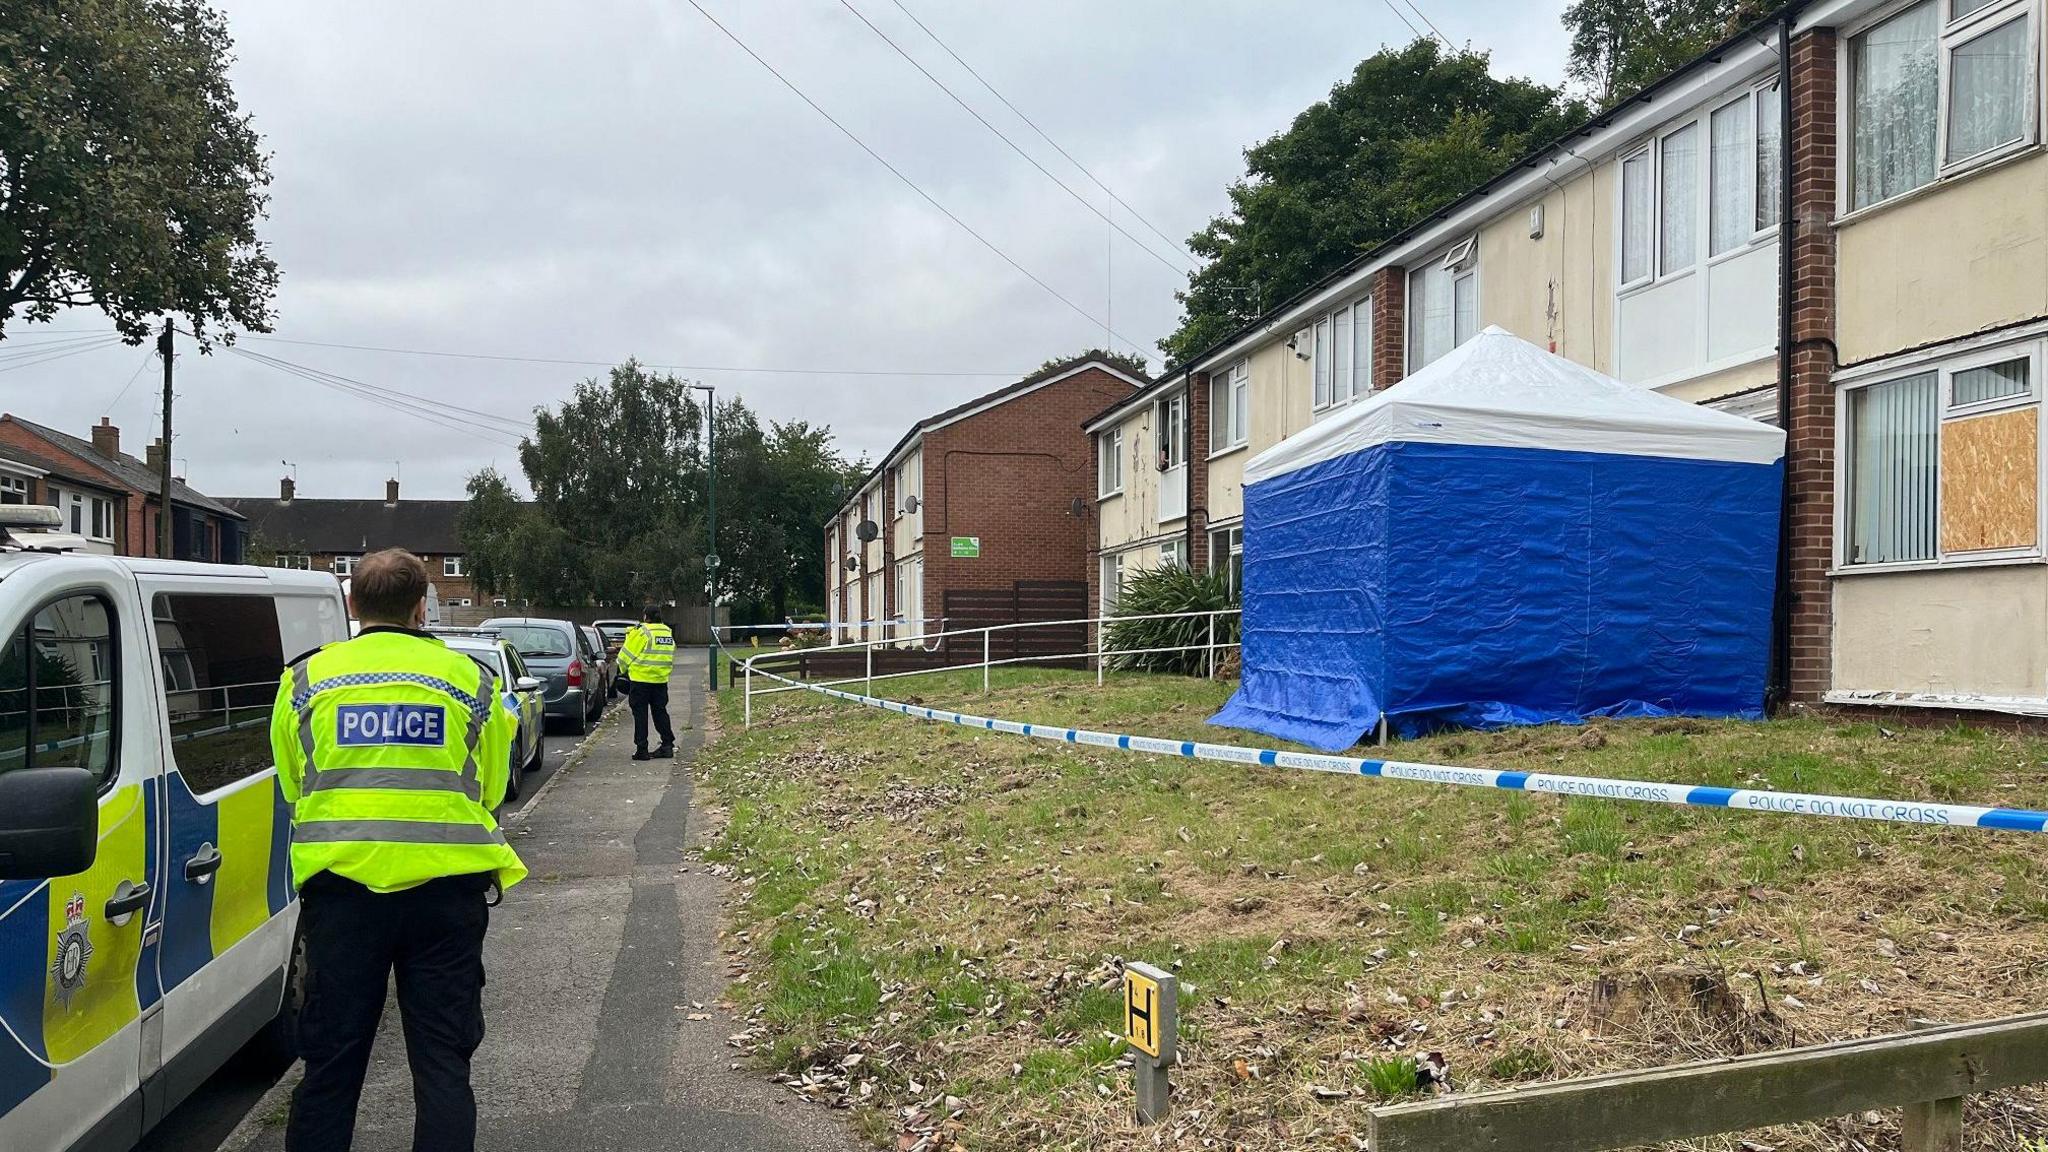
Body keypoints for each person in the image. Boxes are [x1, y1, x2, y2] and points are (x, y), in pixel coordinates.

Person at [271, 548, 527, 1152]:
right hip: (445, 898)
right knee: (442, 1065)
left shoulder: (306, 680)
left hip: (342, 899)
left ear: (353, 604)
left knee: (330, 1069)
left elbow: (293, 784)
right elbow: (489, 788)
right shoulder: (473, 681)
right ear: (420, 607)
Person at [618, 605, 677, 761]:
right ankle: (667, 746)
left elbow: (625, 656)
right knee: (660, 712)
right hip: (660, 680)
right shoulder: (667, 632)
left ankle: (642, 750)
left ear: (645, 617)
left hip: (640, 680)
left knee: (640, 715)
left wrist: (622, 670)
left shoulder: (642, 632)